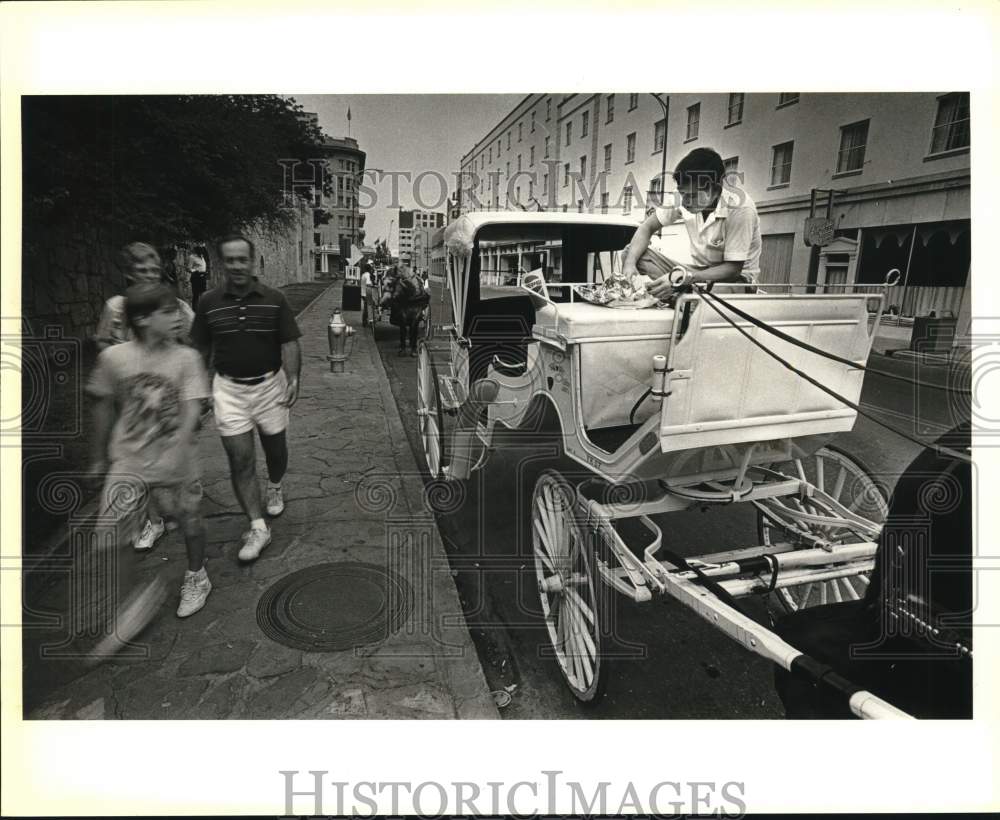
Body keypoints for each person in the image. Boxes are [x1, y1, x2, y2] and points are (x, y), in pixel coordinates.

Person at [85, 282, 213, 658]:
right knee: (113, 538)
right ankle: (127, 606)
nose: (178, 317)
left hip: (176, 459)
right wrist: (97, 457)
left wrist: (180, 443)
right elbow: (102, 405)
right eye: (169, 311)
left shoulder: (186, 359)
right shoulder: (115, 359)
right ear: (142, 318)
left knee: (188, 519)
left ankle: (196, 575)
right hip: (128, 460)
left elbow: (193, 407)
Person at [190, 234, 302, 562]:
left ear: (253, 263)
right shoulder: (208, 302)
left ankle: (276, 484)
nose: (237, 266)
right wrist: (200, 388)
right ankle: (257, 526)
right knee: (240, 459)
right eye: (230, 260)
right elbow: (200, 348)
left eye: (243, 259)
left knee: (276, 451)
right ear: (222, 264)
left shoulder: (275, 299)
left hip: (270, 386)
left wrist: (293, 377)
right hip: (229, 390)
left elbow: (290, 342)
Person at [93, 242, 196, 553]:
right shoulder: (116, 307)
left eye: (154, 270)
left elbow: (193, 342)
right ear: (128, 274)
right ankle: (152, 518)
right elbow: (101, 343)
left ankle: (178, 512)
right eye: (142, 270)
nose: (150, 275)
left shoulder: (175, 307)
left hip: (166, 392)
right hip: (131, 395)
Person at [622, 147, 761, 298]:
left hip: (735, 281)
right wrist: (629, 264)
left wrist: (682, 278)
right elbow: (647, 227)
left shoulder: (740, 207)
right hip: (696, 272)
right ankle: (676, 293)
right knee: (632, 252)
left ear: (714, 189)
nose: (685, 201)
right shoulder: (682, 196)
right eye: (682, 194)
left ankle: (676, 294)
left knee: (700, 298)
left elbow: (733, 270)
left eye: (693, 196)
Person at [388, 264, 429, 357]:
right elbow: (396, 294)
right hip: (405, 305)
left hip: (415, 304)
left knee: (413, 328)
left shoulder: (417, 280)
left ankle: (412, 348)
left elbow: (423, 291)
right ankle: (404, 348)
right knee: (404, 327)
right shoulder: (400, 281)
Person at [188, 245, 209, 309]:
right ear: (196, 250)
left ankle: (203, 309)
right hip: (196, 277)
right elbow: (189, 268)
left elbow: (202, 267)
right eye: (200, 249)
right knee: (196, 295)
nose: (202, 251)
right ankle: (194, 310)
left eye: (202, 249)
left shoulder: (202, 257)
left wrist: (205, 272)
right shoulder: (192, 257)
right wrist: (195, 270)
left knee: (203, 294)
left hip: (203, 277)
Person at [360, 262, 374, 327]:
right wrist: (373, 285)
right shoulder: (368, 274)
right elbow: (368, 283)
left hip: (363, 293)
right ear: (369, 269)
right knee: (368, 308)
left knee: (366, 308)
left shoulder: (363, 275)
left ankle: (364, 321)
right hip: (366, 293)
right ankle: (367, 321)